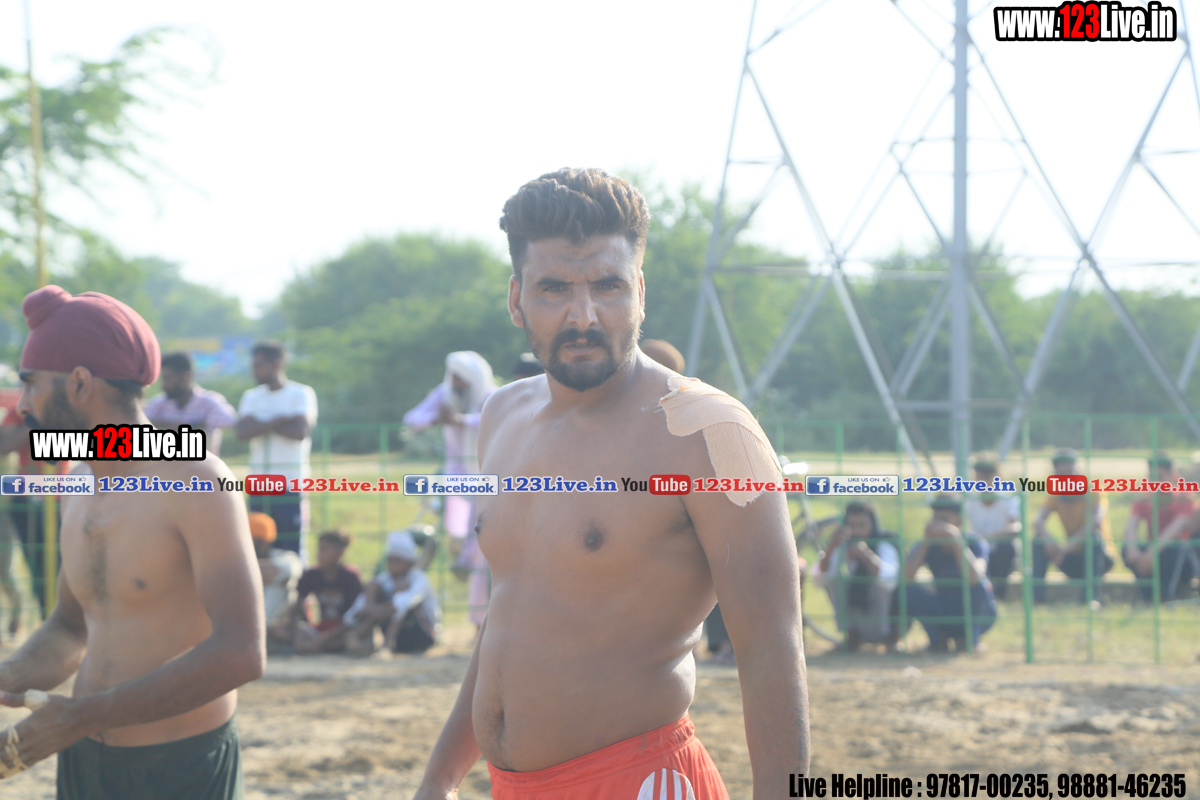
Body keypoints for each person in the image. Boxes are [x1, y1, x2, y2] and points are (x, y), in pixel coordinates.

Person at [414, 168, 807, 800]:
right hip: (508, 786)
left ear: (640, 291)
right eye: (553, 289)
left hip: (640, 781)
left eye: (608, 285)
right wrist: (439, 776)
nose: (584, 316)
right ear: (516, 298)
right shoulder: (503, 415)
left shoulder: (708, 432)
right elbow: (512, 613)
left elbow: (770, 648)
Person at [0, 285, 263, 797]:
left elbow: (241, 651)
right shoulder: (78, 478)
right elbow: (70, 627)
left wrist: (81, 716)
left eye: (30, 384)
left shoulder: (196, 478)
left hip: (179, 768)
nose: (24, 404)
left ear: (80, 383)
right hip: (83, 758)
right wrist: (8, 676)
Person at [403, 351, 496, 630]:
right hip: (456, 478)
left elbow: (496, 419)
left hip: (488, 477)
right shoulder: (444, 394)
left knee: (483, 546)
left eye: (461, 378)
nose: (456, 383)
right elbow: (412, 418)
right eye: (453, 377)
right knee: (470, 540)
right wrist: (436, 418)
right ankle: (462, 558)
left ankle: (480, 616)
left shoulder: (492, 395)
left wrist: (461, 420)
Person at [236, 341, 318, 563]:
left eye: (259, 365)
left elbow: (300, 431)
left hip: (290, 481)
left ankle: (293, 584)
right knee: (257, 544)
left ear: (276, 364)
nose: (255, 371)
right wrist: (280, 419)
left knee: (291, 543)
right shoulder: (251, 396)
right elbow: (242, 432)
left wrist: (260, 424)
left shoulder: (301, 393)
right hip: (259, 482)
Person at [904, 494, 997, 653]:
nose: (939, 525)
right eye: (936, 519)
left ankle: (970, 642)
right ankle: (938, 641)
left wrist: (955, 541)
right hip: (944, 606)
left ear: (959, 521)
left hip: (976, 611)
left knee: (980, 586)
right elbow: (905, 577)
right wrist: (926, 541)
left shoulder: (975, 542)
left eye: (945, 520)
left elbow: (975, 577)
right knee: (909, 590)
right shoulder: (927, 544)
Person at [811, 500, 901, 652]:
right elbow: (819, 579)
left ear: (872, 524)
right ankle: (852, 636)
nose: (857, 531)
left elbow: (890, 582)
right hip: (857, 619)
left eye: (862, 525)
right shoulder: (842, 545)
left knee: (880, 583)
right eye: (852, 525)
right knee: (835, 580)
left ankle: (890, 639)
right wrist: (832, 546)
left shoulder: (884, 543)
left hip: (882, 620)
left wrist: (865, 555)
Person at [1032, 448, 1114, 603]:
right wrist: (1048, 540)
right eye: (1061, 474)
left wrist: (1069, 545)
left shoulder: (1094, 490)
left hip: (1100, 558)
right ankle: (1037, 597)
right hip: (1070, 557)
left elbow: (1096, 520)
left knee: (1094, 538)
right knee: (1038, 540)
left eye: (1070, 472)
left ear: (1080, 472)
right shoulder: (1056, 493)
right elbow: (1038, 521)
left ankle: (1090, 599)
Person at [345, 531, 439, 656]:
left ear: (410, 563)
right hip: (397, 634)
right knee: (373, 586)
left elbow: (401, 606)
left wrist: (373, 610)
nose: (391, 565)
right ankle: (362, 641)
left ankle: (386, 646)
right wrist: (374, 609)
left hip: (423, 636)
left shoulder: (420, 580)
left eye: (397, 561)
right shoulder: (383, 579)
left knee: (402, 599)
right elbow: (354, 613)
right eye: (389, 560)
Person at [1123, 453, 1198, 601]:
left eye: (1160, 477)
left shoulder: (1185, 497)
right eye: (1151, 478)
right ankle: (1148, 597)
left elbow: (1177, 528)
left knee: (1175, 546)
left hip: (1181, 561)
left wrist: (1150, 554)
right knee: (1127, 549)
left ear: (1173, 477)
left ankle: (1166, 596)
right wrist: (1132, 550)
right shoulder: (1145, 497)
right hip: (1155, 556)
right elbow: (1131, 524)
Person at [281, 530, 363, 654]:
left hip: (342, 629)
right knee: (280, 629)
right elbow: (296, 607)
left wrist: (325, 638)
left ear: (339, 554)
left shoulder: (350, 577)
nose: (319, 554)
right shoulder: (312, 574)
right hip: (321, 627)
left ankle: (318, 645)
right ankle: (319, 645)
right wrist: (294, 629)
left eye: (324, 549)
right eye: (319, 549)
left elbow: (355, 616)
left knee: (354, 640)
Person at [144, 351, 237, 456]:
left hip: (204, 463)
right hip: (168, 464)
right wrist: (175, 425)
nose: (164, 384)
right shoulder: (160, 403)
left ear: (185, 377)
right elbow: (139, 422)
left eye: (168, 378)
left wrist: (186, 426)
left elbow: (229, 420)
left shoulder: (208, 401)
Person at [964, 454, 1021, 600]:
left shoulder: (1007, 498)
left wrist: (988, 537)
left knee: (1008, 546)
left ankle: (998, 594)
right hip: (977, 551)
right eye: (980, 477)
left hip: (1000, 551)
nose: (984, 482)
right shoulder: (970, 501)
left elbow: (1016, 527)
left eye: (988, 477)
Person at [249, 512, 303, 644]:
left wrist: (248, 571)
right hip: (245, 616)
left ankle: (262, 628)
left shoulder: (286, 558)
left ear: (263, 542)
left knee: (277, 585)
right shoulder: (237, 561)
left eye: (251, 539)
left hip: (278, 621)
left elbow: (285, 571)